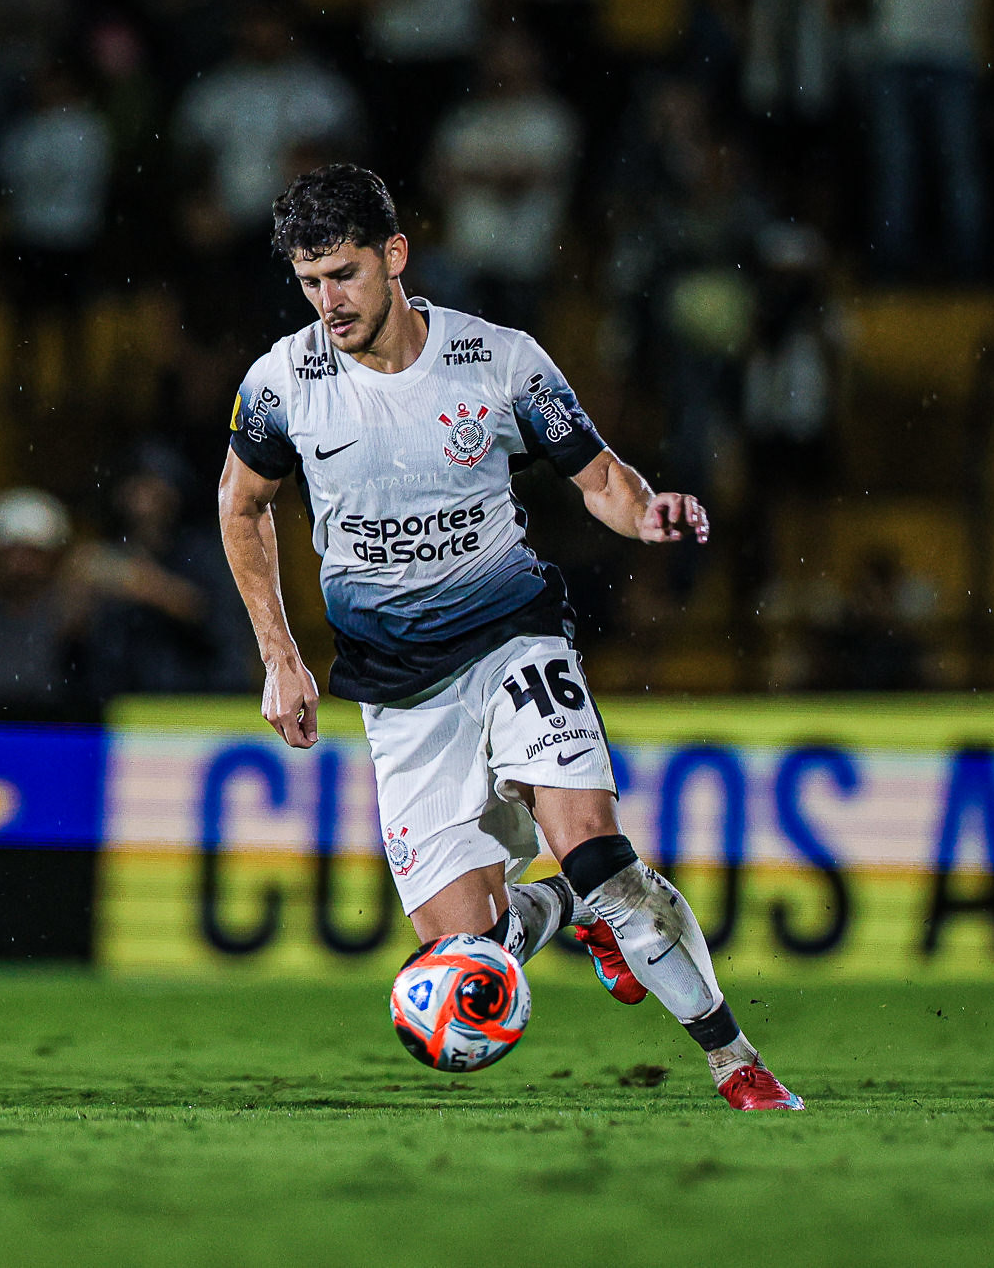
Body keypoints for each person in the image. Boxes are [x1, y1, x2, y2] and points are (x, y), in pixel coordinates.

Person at [217, 165, 801, 1111]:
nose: (329, 301)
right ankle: (567, 905)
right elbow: (242, 508)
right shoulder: (283, 384)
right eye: (311, 281)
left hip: (512, 637)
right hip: (400, 688)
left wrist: (648, 514)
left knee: (598, 850)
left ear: (396, 256)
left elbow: (600, 475)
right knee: (469, 963)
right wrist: (280, 655)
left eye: (347, 275)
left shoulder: (498, 360)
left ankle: (735, 1059)